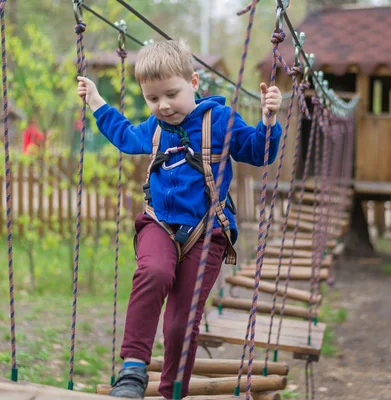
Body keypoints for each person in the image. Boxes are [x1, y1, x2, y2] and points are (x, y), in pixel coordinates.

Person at [77, 40, 282, 399]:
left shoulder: (219, 121)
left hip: (208, 233)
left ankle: (173, 391)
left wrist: (268, 120)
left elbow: (256, 150)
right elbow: (125, 137)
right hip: (160, 225)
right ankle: (133, 369)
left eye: (172, 94)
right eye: (153, 99)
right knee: (153, 273)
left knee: (179, 324)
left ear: (194, 82)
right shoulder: (155, 128)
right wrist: (96, 101)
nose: (164, 105)